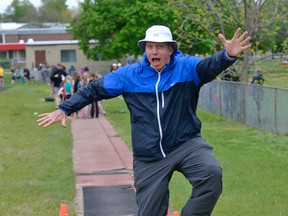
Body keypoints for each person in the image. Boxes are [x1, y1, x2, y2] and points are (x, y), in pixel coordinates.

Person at [38, 25, 251, 216]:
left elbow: (209, 66)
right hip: (149, 154)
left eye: (159, 47)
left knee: (211, 174)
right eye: (150, 46)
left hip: (186, 143)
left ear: (171, 50)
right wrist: (65, 108)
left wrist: (227, 56)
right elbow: (94, 89)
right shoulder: (130, 75)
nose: (154, 52)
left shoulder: (186, 68)